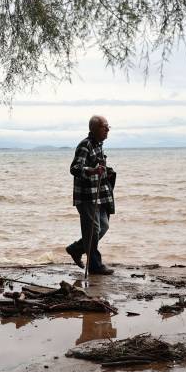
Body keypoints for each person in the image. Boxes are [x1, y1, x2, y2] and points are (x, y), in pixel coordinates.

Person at [66, 115, 116, 275]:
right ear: (94, 129)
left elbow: (97, 165)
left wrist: (106, 171)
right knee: (93, 231)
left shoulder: (98, 145)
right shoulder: (85, 145)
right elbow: (75, 168)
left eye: (108, 127)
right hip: (87, 196)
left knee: (103, 227)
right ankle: (95, 265)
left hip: (99, 195)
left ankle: (75, 248)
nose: (108, 130)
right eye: (105, 127)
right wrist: (92, 170)